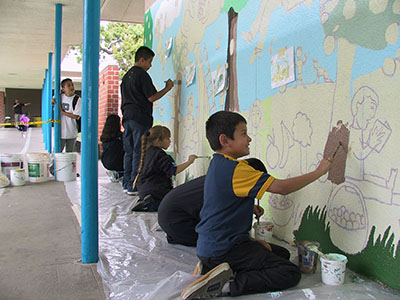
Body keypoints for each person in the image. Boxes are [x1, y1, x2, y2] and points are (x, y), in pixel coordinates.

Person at [180, 111, 333, 299]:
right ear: (225, 140)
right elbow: (282, 188)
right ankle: (226, 285)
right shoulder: (237, 169)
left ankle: (214, 267)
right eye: (243, 134)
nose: (249, 139)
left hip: (210, 246)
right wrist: (319, 172)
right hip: (224, 248)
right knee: (289, 272)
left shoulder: (218, 164)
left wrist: (252, 240)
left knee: (282, 254)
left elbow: (221, 209)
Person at [158, 158, 267, 247]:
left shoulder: (222, 177)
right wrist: (251, 241)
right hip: (174, 219)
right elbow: (224, 223)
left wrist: (250, 208)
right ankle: (179, 235)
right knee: (219, 242)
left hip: (167, 212)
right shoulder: (229, 186)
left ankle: (178, 236)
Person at [121, 46, 174, 195]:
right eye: (149, 62)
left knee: (129, 151)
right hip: (140, 118)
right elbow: (151, 97)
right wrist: (167, 88)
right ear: (142, 59)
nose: (150, 66)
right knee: (140, 151)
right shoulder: (141, 75)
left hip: (127, 117)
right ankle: (134, 185)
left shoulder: (127, 76)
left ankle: (126, 183)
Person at [132, 125, 197, 212]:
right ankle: (151, 204)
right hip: (156, 190)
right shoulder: (160, 155)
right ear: (158, 141)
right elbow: (174, 170)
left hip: (145, 189)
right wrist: (190, 161)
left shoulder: (148, 152)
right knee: (173, 204)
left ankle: (147, 201)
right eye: (168, 138)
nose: (170, 141)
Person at [52, 78, 81, 152]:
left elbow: (76, 116)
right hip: (60, 132)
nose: (72, 87)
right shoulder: (59, 97)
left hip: (72, 132)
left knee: (69, 155)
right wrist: (52, 103)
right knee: (56, 154)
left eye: (72, 85)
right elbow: (52, 106)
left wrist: (62, 112)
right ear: (63, 89)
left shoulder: (77, 99)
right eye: (68, 85)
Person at [100, 114, 124, 182]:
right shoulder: (120, 137)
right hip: (117, 163)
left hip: (105, 162)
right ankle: (120, 173)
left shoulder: (105, 136)